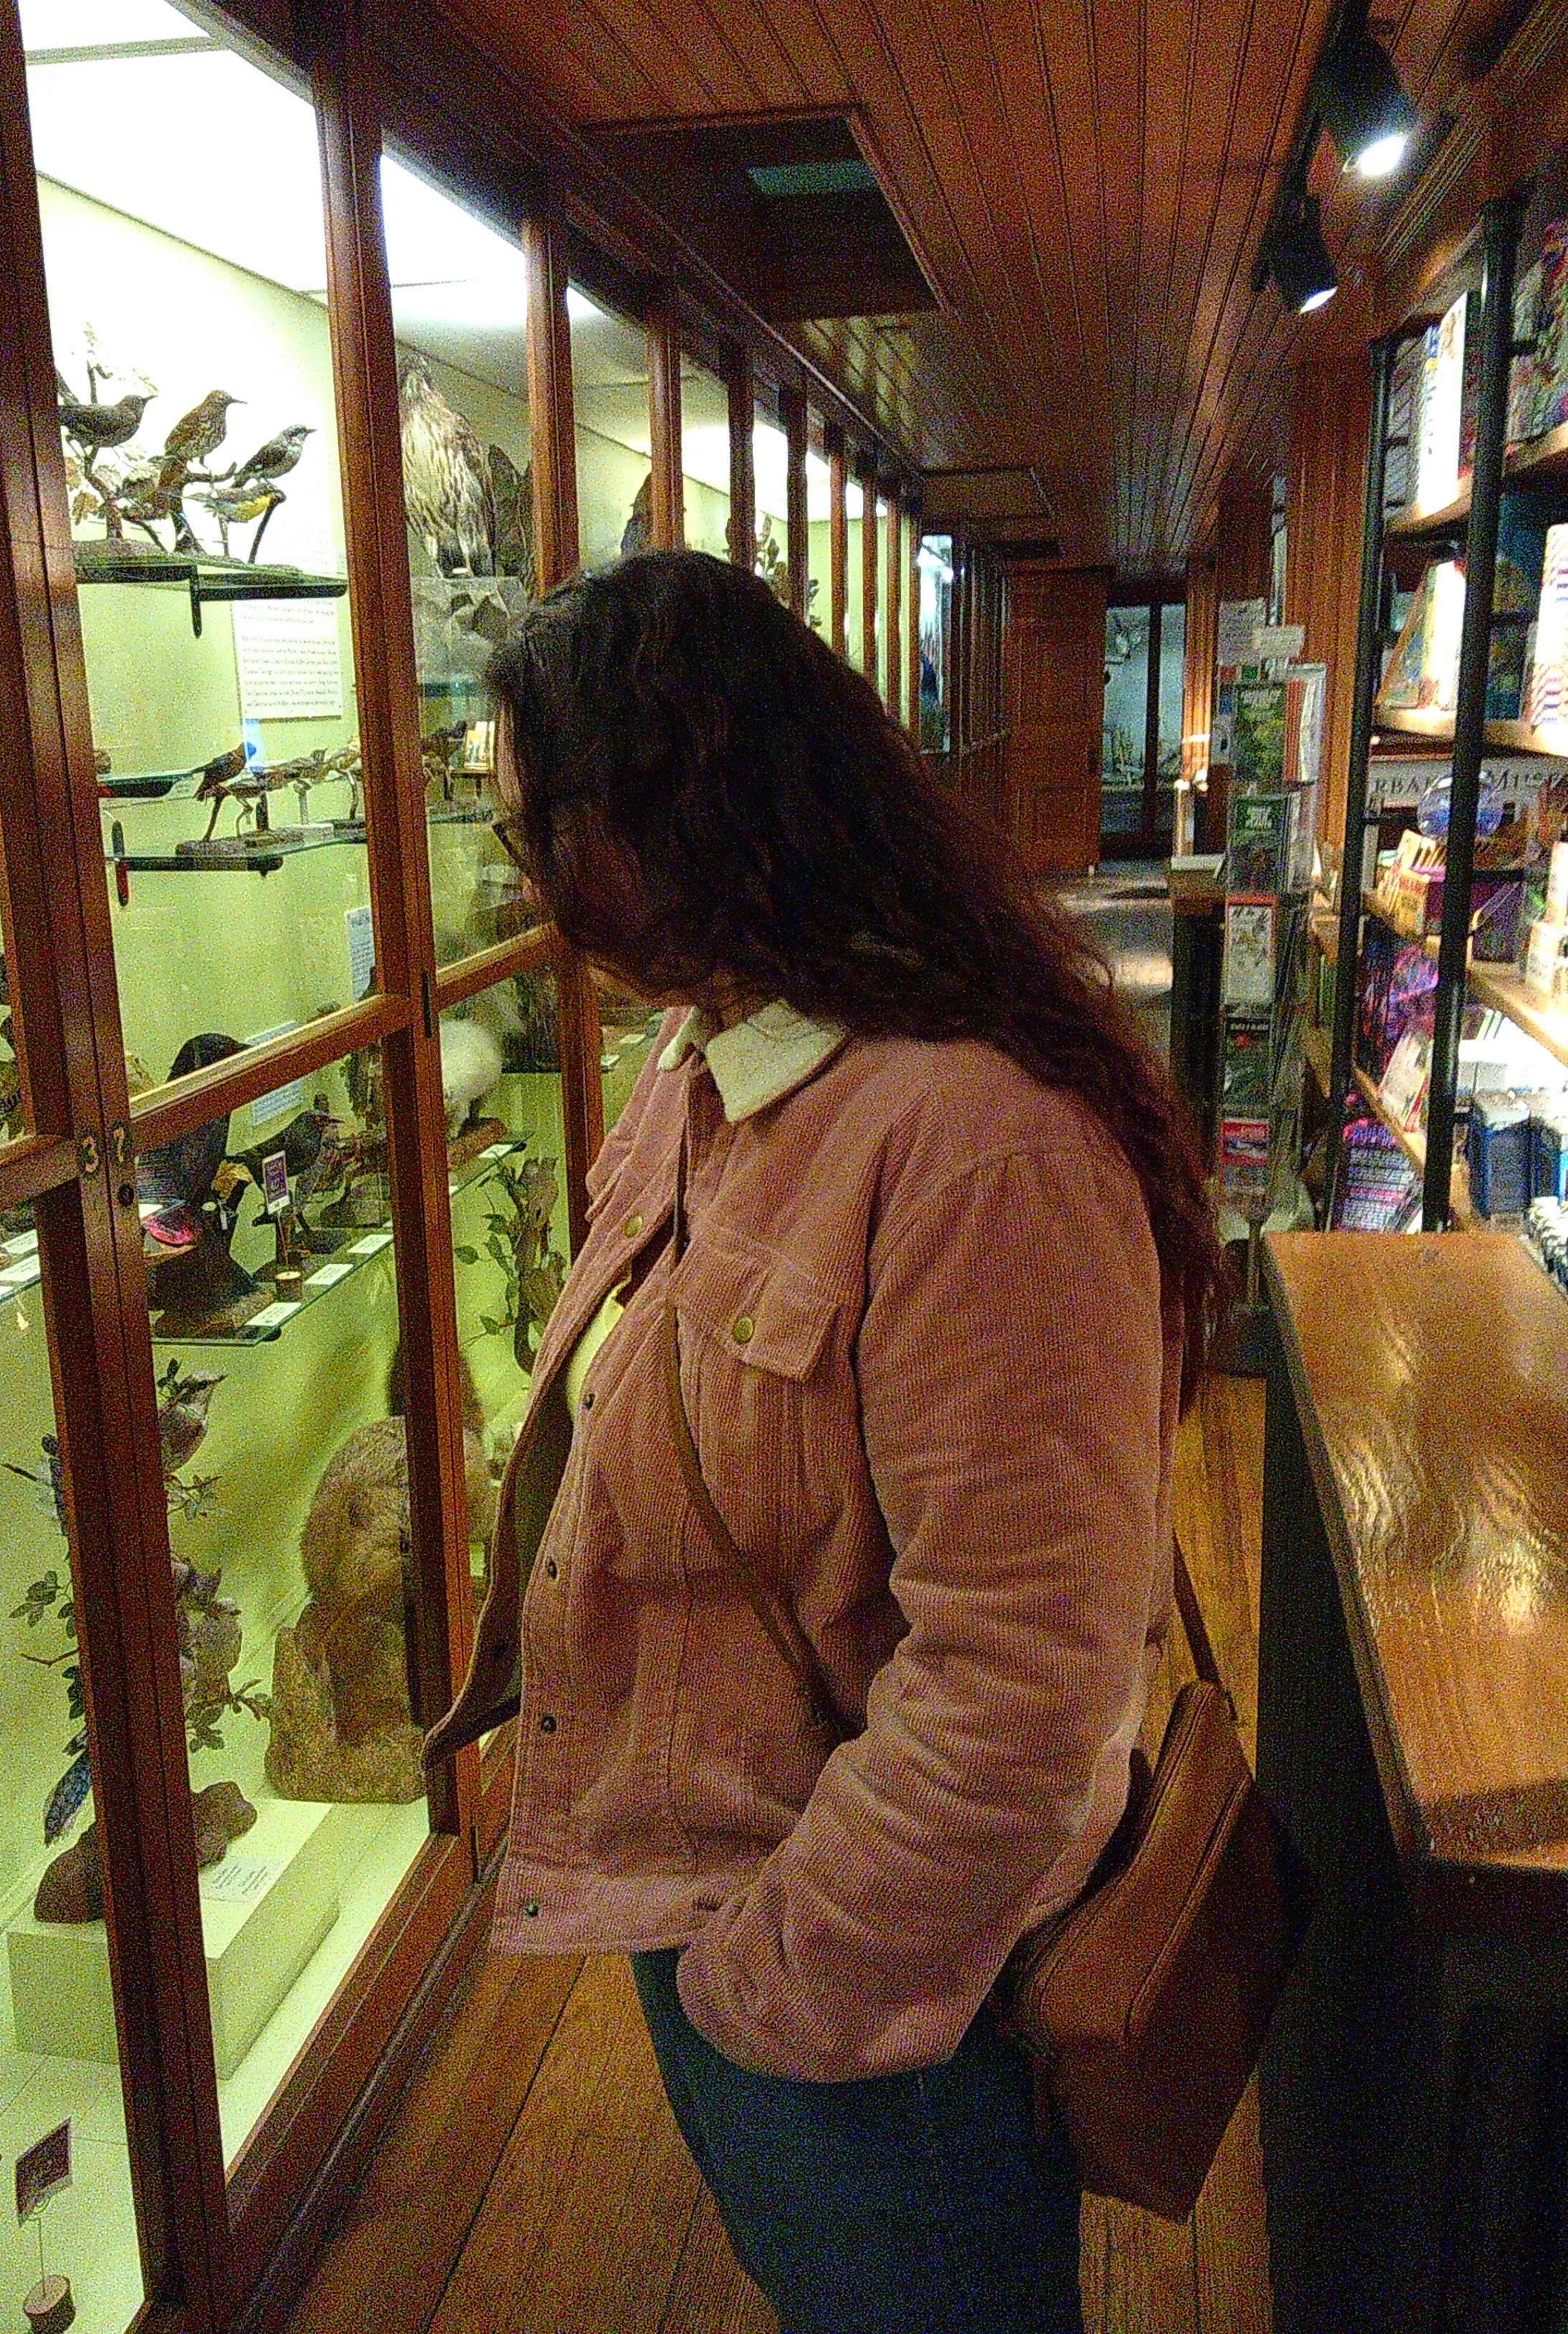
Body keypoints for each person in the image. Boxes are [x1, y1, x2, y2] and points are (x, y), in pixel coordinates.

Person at [424, 549, 1221, 2333]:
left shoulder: (977, 1145)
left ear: (676, 813)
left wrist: (784, 1981)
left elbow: (1023, 1676)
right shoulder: (715, 1058)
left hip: (873, 1975)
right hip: (726, 1883)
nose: (527, 872)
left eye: (536, 822)